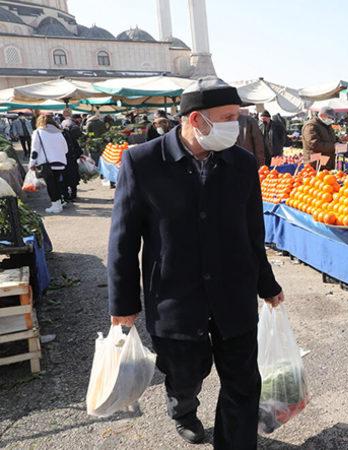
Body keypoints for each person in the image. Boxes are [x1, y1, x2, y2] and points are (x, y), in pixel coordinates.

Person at [107, 77, 284, 448]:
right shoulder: (142, 162)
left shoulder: (241, 163)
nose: (235, 125)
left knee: (243, 383)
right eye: (227, 117)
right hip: (176, 298)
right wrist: (123, 305)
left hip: (233, 295)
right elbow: (123, 239)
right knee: (186, 374)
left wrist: (267, 285)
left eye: (236, 117)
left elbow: (253, 232)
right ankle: (183, 409)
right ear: (195, 119)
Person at [29, 115, 68, 213]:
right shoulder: (59, 133)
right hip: (60, 163)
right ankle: (59, 204)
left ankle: (55, 206)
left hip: (46, 163)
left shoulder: (38, 132)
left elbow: (34, 150)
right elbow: (65, 149)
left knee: (51, 185)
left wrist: (31, 163)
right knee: (56, 184)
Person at [301, 105, 338, 170]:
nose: (331, 120)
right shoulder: (311, 126)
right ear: (322, 116)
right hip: (315, 163)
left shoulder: (327, 125)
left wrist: (340, 140)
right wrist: (334, 146)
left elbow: (331, 138)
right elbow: (314, 144)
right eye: (330, 118)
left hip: (327, 162)